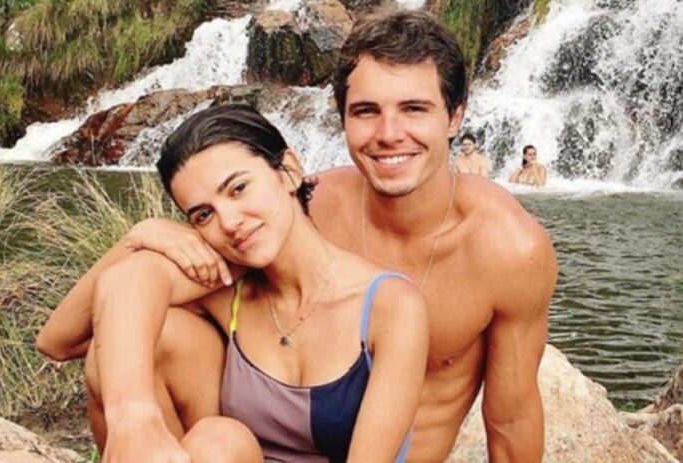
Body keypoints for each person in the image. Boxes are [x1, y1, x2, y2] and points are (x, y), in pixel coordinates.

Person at [38, 8, 557, 463]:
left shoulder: (507, 249)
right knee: (159, 345)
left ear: (455, 116)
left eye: (414, 109)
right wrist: (142, 237)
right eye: (366, 111)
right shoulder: (299, 208)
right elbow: (76, 330)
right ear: (342, 120)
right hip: (240, 449)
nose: (388, 134)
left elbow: (511, 420)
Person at [38, 104, 428, 463]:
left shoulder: (390, 306)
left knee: (218, 442)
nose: (229, 222)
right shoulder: (225, 282)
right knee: (209, 427)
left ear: (289, 171)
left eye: (238, 188)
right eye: (203, 215)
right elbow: (60, 340)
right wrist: (137, 238)